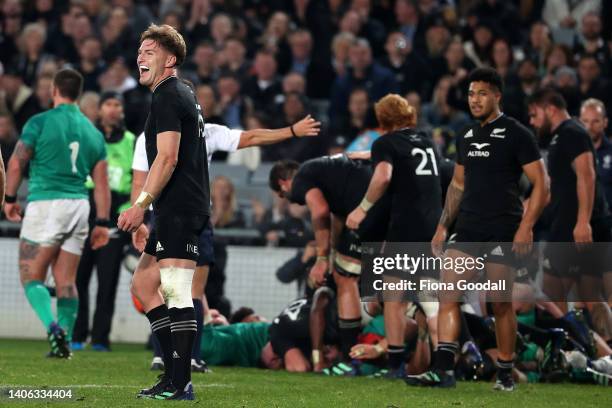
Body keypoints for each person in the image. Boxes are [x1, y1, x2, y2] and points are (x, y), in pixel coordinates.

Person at [131, 115, 320, 373]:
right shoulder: (205, 132)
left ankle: (162, 354)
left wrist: (138, 214)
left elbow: (139, 181)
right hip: (195, 216)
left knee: (162, 288)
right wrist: (292, 131)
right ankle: (190, 357)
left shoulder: (149, 135)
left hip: (163, 215)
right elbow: (252, 137)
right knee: (189, 291)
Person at [406, 68, 549, 391]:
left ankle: (505, 373)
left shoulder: (517, 134)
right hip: (468, 229)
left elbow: (543, 185)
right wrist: (443, 226)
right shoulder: (466, 136)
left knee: (500, 303)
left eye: (482, 93)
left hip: (503, 230)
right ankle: (444, 372)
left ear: (497, 95)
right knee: (448, 295)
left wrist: (526, 227)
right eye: (471, 94)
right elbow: (457, 184)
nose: (475, 100)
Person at [117, 24, 209, 401]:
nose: (141, 56)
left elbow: (168, 158)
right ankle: (174, 373)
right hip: (173, 207)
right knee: (143, 285)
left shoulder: (169, 95)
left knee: (175, 290)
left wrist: (139, 205)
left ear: (170, 59)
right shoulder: (181, 92)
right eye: (140, 50)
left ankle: (180, 381)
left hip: (180, 207)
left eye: (150, 51)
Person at [3, 68, 111, 359]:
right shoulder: (93, 132)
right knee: (66, 280)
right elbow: (102, 184)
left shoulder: (39, 122)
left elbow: (16, 163)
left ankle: (53, 328)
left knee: (30, 277)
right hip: (79, 205)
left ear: (54, 90)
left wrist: (10, 198)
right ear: (77, 93)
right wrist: (102, 222)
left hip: (47, 203)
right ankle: (63, 340)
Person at [345, 94, 442, 378]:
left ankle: (396, 365)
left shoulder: (384, 143)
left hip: (406, 229)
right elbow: (406, 164)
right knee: (431, 302)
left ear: (381, 120)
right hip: (433, 229)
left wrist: (361, 210)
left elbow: (384, 176)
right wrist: (370, 157)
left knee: (393, 296)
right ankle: (445, 366)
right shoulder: (426, 141)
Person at [269, 153, 389, 372]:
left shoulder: (304, 176)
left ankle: (349, 357)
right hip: (389, 206)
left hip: (369, 210)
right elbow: (337, 215)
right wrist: (334, 251)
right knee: (392, 289)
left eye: (282, 194)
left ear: (283, 183)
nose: (288, 198)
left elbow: (321, 211)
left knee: (346, 278)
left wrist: (322, 259)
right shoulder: (330, 170)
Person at [527, 89, 611, 309]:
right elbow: (555, 189)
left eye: (535, 114)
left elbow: (587, 175)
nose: (532, 121)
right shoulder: (561, 137)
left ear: (550, 109)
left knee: (550, 297)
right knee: (591, 296)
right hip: (571, 226)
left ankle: (569, 343)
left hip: (572, 229)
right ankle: (603, 341)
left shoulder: (571, 133)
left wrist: (582, 222)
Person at [72, 92, 135, 352]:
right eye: (108, 104)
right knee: (78, 280)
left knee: (107, 283)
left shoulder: (131, 140)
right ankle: (76, 335)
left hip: (114, 222)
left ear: (121, 111)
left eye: (117, 104)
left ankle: (100, 339)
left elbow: (136, 180)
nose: (112, 109)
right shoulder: (87, 137)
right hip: (86, 217)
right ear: (99, 111)